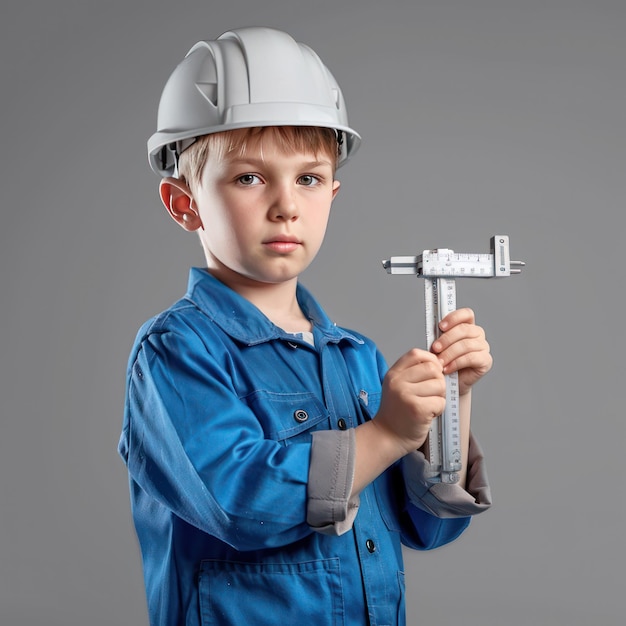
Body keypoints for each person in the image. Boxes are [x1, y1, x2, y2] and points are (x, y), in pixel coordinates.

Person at [119, 26, 493, 626]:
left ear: (332, 196)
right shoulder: (177, 352)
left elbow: (426, 527)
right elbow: (240, 505)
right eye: (248, 177)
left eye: (308, 178)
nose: (285, 203)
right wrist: (386, 434)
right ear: (183, 203)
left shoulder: (357, 358)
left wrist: (451, 404)